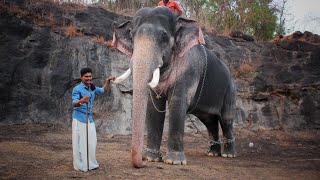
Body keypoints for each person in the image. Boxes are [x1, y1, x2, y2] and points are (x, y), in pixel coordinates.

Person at [71, 67, 115, 172]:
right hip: (79, 118)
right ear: (81, 77)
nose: (89, 78)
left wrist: (107, 81)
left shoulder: (92, 87)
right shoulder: (77, 89)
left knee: (91, 141)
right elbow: (74, 103)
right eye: (86, 76)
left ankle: (91, 164)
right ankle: (81, 165)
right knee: (80, 142)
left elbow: (103, 90)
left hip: (89, 118)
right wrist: (82, 101)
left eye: (90, 76)